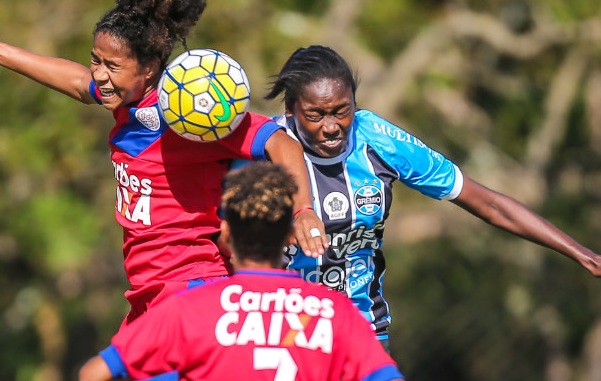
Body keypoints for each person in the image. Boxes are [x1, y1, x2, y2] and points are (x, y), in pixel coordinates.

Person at [0, 0, 327, 331]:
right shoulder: (125, 100)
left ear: (149, 68)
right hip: (147, 292)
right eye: (95, 59)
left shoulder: (189, 113)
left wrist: (303, 209)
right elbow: (77, 82)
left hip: (191, 285)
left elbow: (280, 141)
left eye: (112, 65)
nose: (99, 73)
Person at [254, 44, 601, 351]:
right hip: (280, 327)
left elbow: (489, 204)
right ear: (291, 109)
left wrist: (588, 255)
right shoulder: (257, 150)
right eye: (316, 115)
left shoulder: (377, 140)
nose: (331, 127)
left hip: (361, 329)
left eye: (342, 111)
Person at [78, 162, 404, 381]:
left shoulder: (188, 309)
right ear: (290, 236)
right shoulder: (335, 311)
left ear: (227, 235)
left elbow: (95, 372)